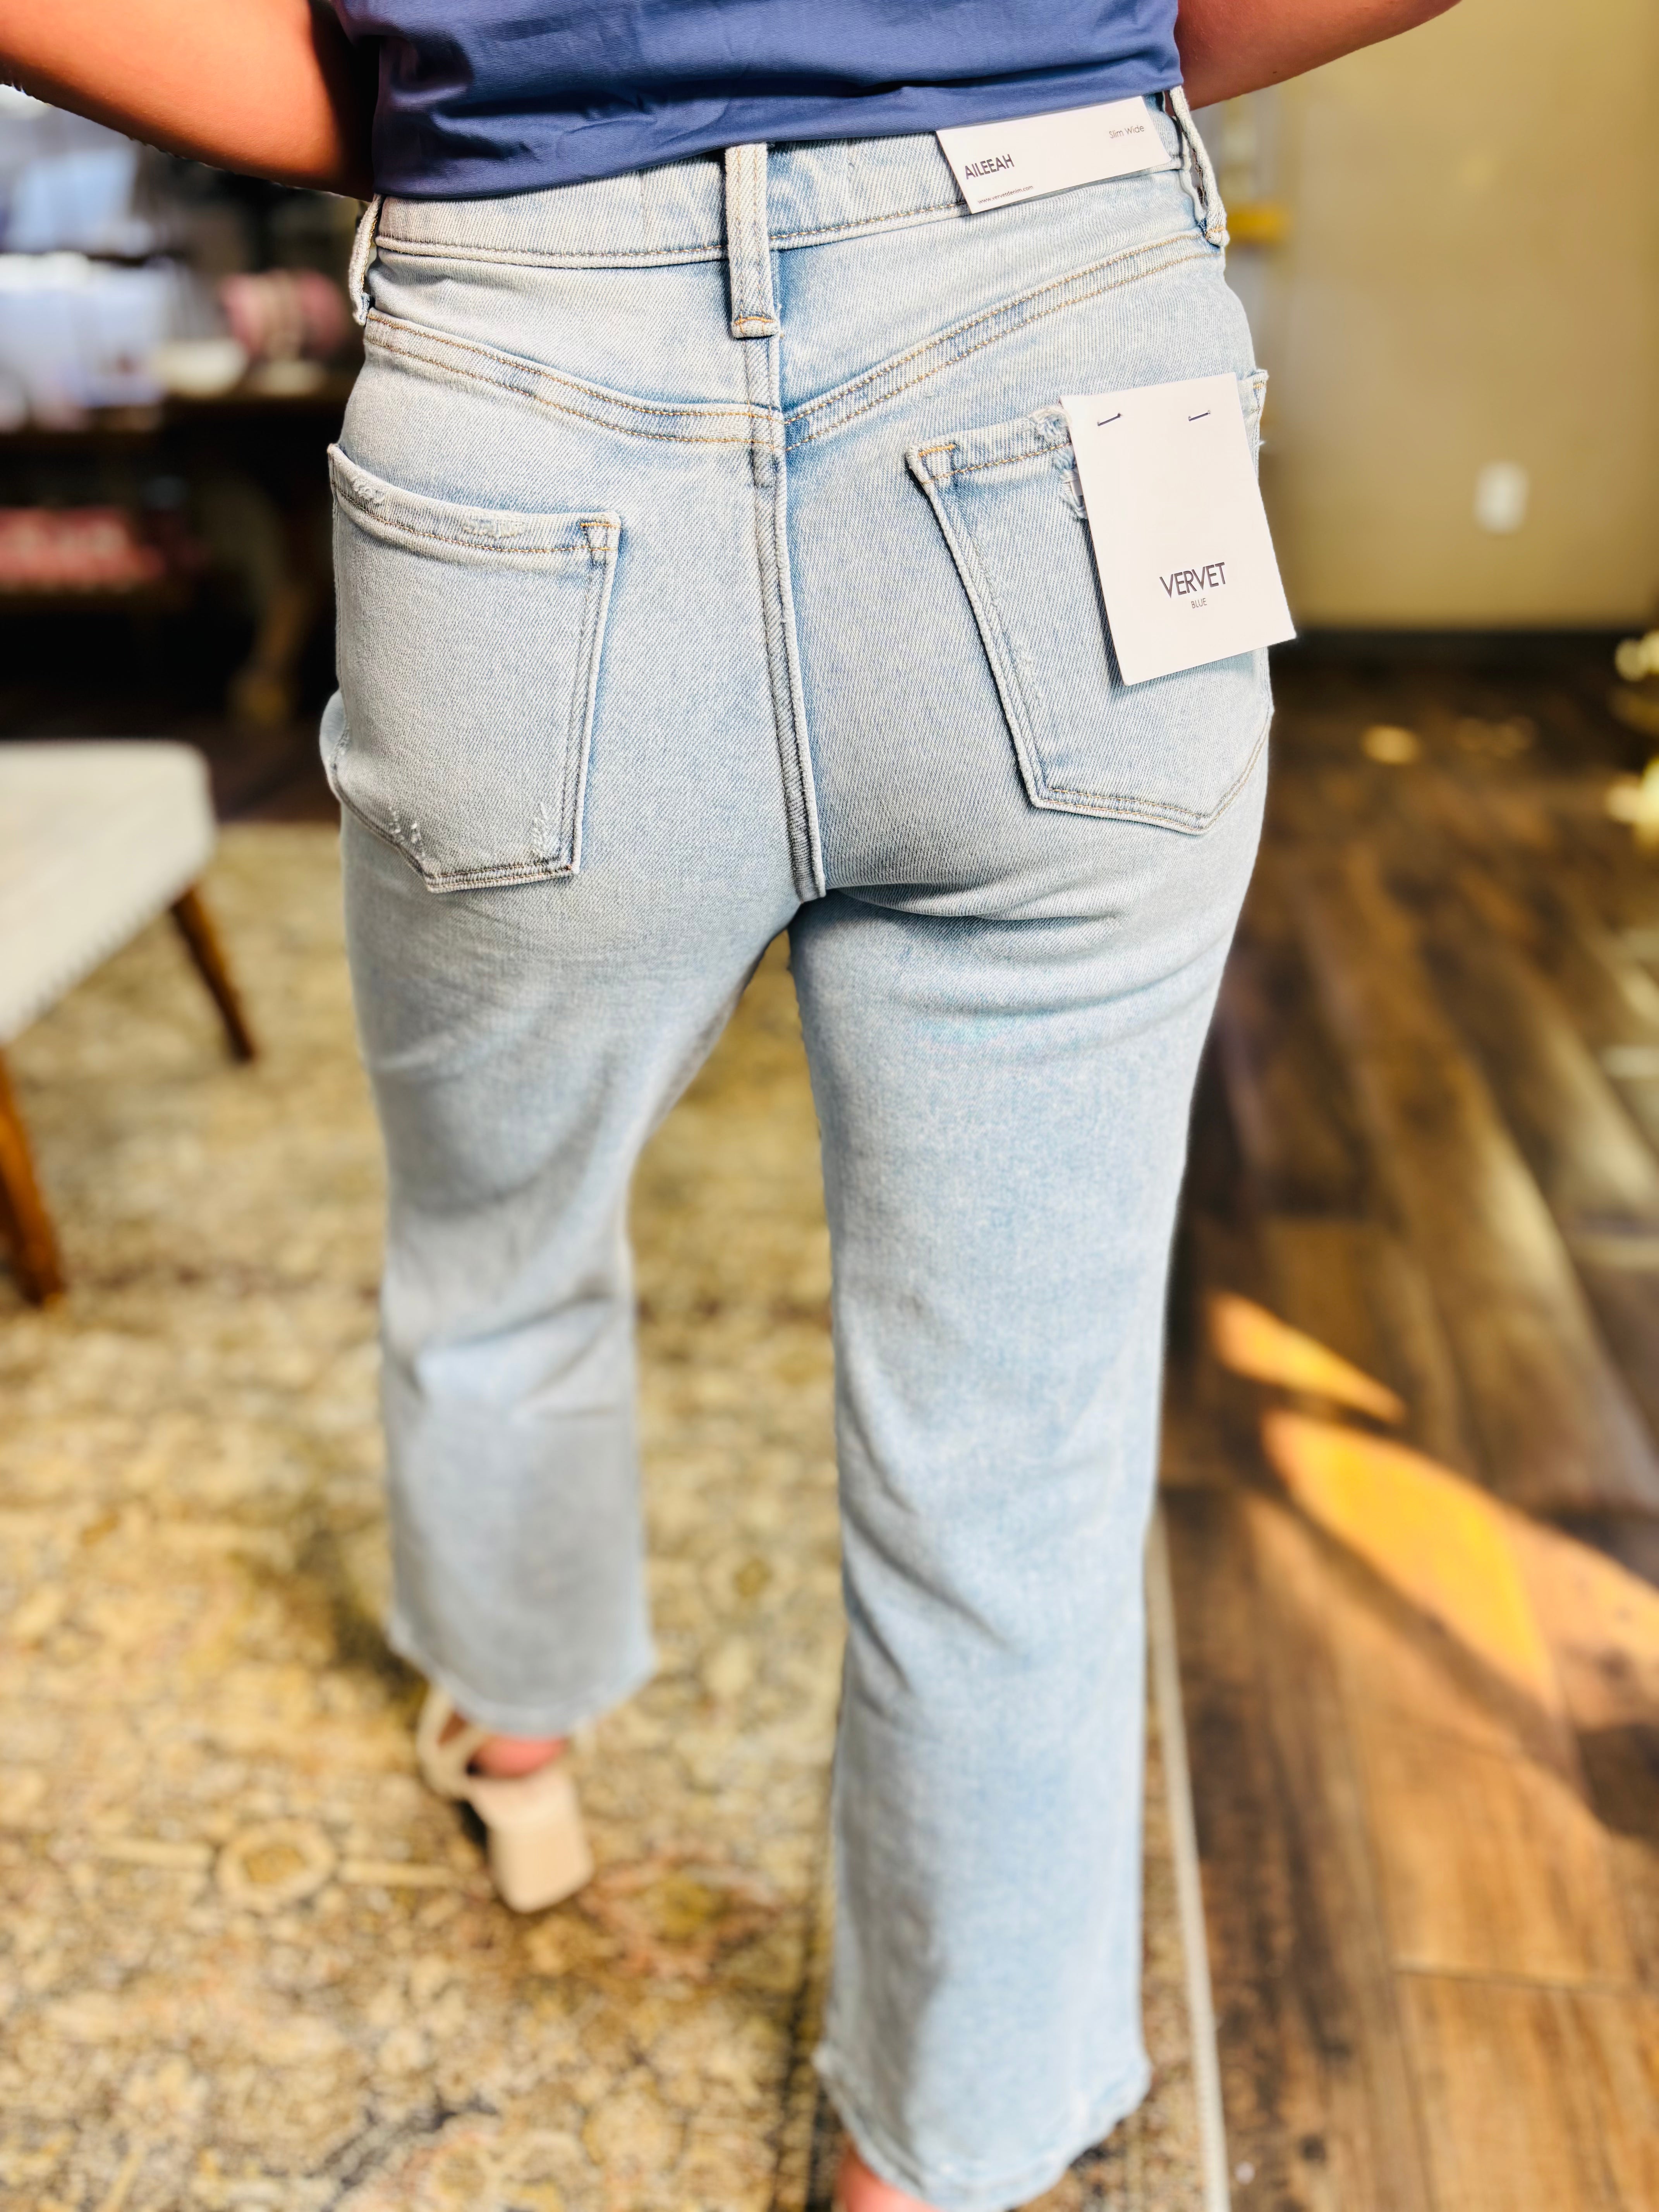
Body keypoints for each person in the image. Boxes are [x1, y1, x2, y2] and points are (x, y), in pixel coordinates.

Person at [2, 5, 1456, 2206]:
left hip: (526, 346)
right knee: (1018, 1434)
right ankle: (934, 2156)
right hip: (1054, 316)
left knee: (499, 1211)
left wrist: (433, 98)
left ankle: (516, 1727)